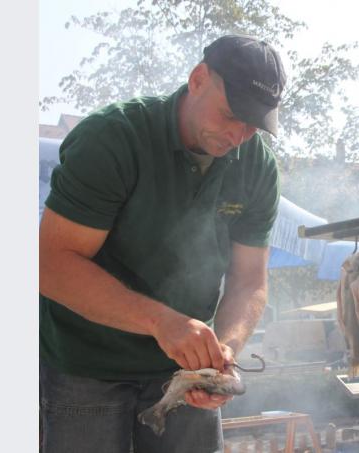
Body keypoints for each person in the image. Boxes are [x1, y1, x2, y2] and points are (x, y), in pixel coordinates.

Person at [39, 34, 286, 453]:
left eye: (254, 123)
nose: (240, 135)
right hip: (85, 365)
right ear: (197, 79)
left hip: (185, 371)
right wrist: (162, 322)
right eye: (231, 115)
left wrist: (222, 356)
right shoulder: (112, 139)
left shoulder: (257, 167)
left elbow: (248, 282)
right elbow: (50, 264)